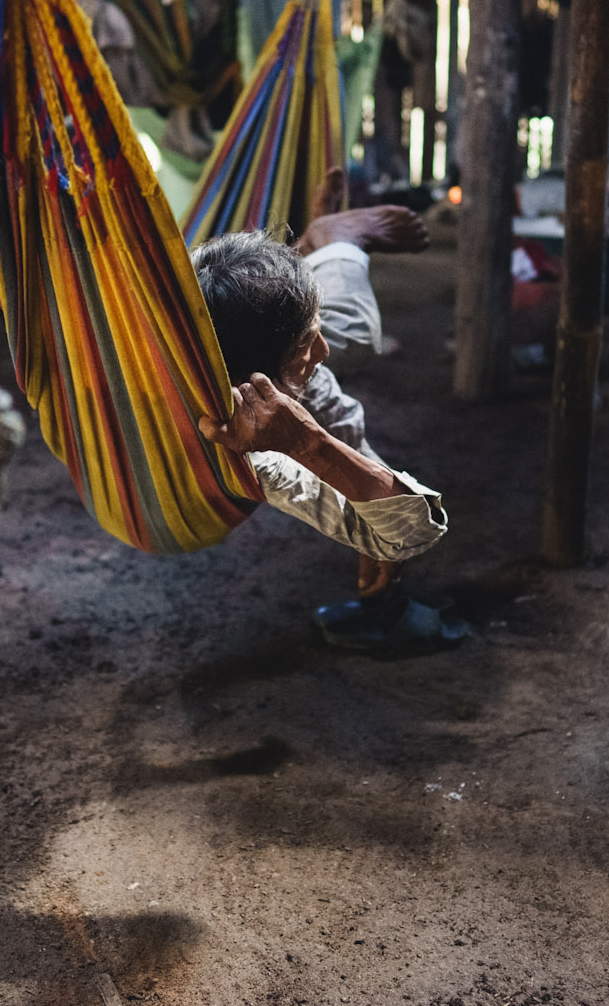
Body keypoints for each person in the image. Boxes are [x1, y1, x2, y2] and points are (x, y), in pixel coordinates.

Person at [192, 170, 464, 648]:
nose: (321, 352)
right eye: (304, 343)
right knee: (350, 331)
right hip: (273, 390)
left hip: (273, 368)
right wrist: (306, 442)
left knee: (338, 330)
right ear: (257, 377)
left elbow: (327, 397)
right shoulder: (249, 450)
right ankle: (336, 240)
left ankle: (327, 239)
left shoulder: (236, 344)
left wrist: (369, 510)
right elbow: (414, 528)